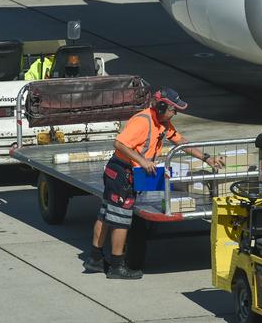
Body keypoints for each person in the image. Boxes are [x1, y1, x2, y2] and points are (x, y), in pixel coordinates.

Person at [84, 88, 225, 279]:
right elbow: (119, 144)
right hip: (121, 173)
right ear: (161, 106)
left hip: (123, 172)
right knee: (120, 220)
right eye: (173, 110)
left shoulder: (163, 123)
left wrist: (206, 158)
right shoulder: (143, 121)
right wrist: (142, 161)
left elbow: (180, 141)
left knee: (106, 214)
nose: (175, 113)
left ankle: (95, 259)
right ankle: (116, 266)